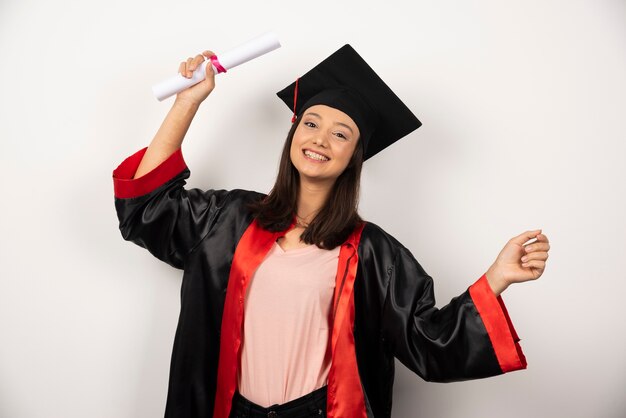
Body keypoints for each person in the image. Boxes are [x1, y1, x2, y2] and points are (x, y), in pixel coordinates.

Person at [112, 44, 550, 418]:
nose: (320, 139)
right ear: (293, 133)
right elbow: (146, 206)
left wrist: (497, 278)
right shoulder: (228, 219)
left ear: (355, 155)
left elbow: (428, 341)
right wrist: (188, 101)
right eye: (311, 123)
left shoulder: (375, 254)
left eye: (340, 133)